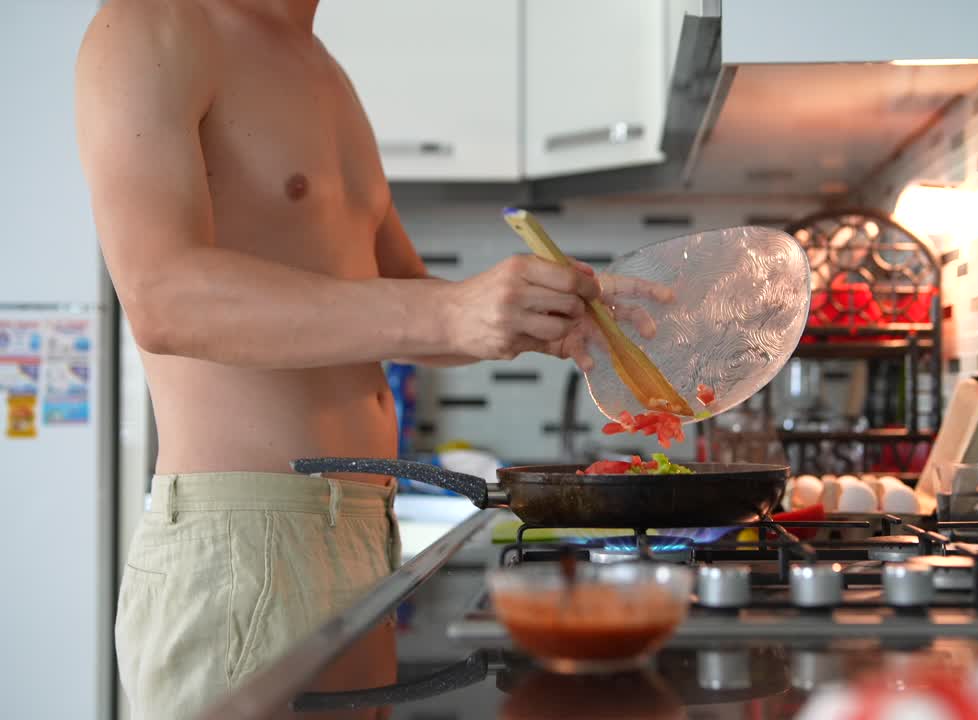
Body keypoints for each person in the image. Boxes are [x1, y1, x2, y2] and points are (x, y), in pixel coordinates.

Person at [74, 1, 667, 718]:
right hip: (245, 541)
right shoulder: (154, 21)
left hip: (361, 529)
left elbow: (402, 304)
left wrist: (533, 318)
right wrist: (449, 311)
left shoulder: (323, 68)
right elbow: (163, 299)